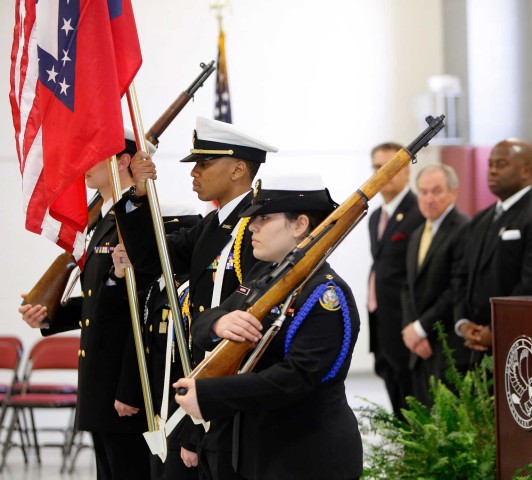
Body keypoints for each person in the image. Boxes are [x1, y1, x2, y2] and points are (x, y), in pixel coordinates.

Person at [114, 117, 275, 479]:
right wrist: (139, 195)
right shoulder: (214, 224)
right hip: (205, 386)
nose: (194, 173)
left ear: (237, 169)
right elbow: (152, 259)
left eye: (204, 164)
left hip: (230, 393)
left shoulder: (257, 226)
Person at [173, 175, 363, 480]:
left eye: (264, 218)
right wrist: (220, 323)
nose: (252, 227)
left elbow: (298, 377)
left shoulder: (326, 294)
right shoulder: (265, 275)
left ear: (299, 225)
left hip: (306, 459)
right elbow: (204, 320)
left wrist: (211, 395)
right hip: (261, 453)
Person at [18, 129, 155, 480]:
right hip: (99, 380)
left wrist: (130, 387)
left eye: (94, 156)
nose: (84, 166)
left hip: (122, 383)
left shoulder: (138, 217)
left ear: (123, 161)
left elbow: (141, 307)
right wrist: (51, 316)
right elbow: (100, 301)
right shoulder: (105, 221)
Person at [109, 208, 201, 480]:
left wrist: (190, 430)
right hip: (159, 415)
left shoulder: (186, 291)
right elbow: (140, 344)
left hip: (180, 414)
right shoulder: (155, 287)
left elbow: (192, 362)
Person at [454, 138, 532, 353]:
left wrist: (497, 329)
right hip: (476, 341)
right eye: (490, 164)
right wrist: (463, 323)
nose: (493, 171)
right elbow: (462, 274)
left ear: (526, 171)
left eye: (501, 165)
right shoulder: (480, 219)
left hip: (522, 340)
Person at [400, 164, 470, 406]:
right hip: (418, 349)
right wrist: (412, 331)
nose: (429, 199)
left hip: (448, 347)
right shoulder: (418, 233)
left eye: (437, 191)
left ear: (453, 192)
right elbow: (408, 287)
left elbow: (456, 290)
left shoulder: (465, 230)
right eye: (423, 192)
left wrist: (421, 328)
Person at [367, 142, 424, 416]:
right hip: (381, 322)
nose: (383, 173)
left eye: (391, 167)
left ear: (407, 172)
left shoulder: (419, 212)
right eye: (378, 168)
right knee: (395, 397)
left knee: (413, 401)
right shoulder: (375, 216)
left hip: (406, 323)